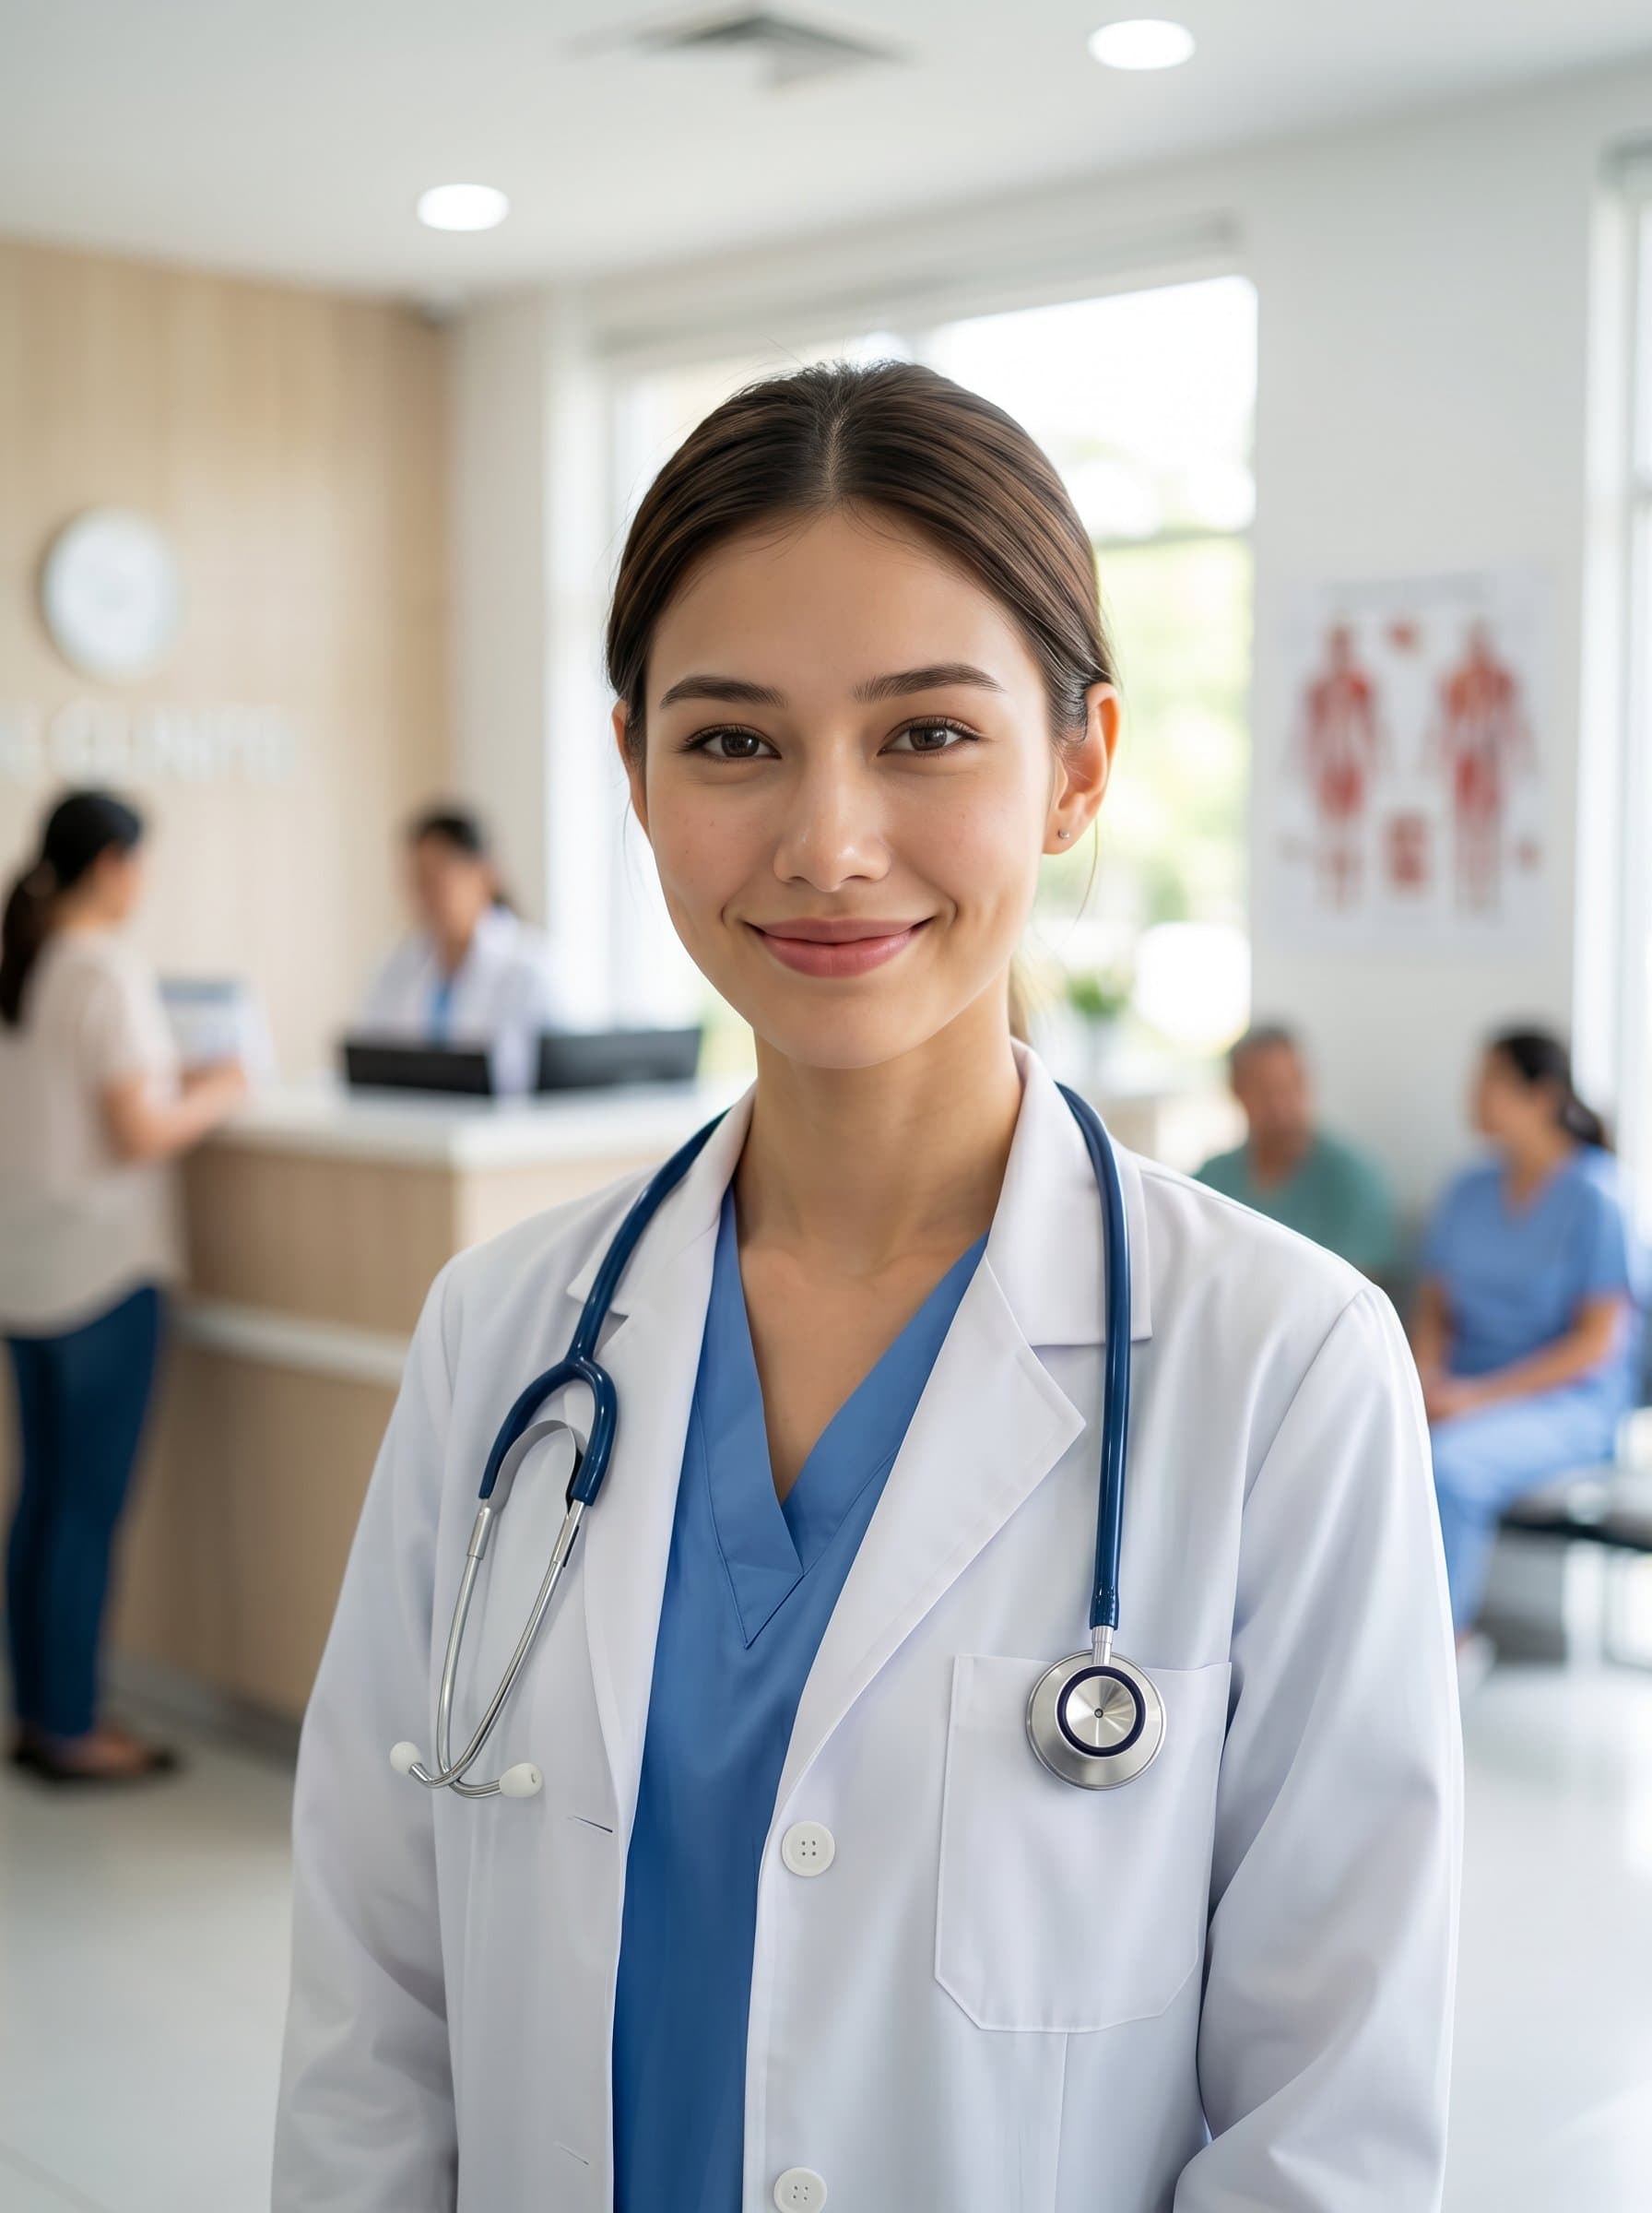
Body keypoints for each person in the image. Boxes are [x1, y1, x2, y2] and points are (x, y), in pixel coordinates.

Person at [275, 363, 1459, 2211]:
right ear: (634, 771)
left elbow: (1327, 2117)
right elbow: (373, 2015)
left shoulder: (1281, 1367)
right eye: (732, 741)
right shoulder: (500, 1342)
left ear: (1076, 769)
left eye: (923, 735)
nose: (825, 841)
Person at [0, 791, 246, 1783]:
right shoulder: (103, 969)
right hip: (104, 1276)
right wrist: (224, 1089)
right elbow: (137, 1131)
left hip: (25, 1273)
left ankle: (39, 1715)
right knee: (83, 1510)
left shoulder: (27, 963)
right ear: (111, 864)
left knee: (41, 1503)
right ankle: (73, 1729)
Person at [1413, 1027, 1642, 1652]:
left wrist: (1476, 1398)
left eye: (1491, 1081)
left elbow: (1595, 1345)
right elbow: (1437, 1308)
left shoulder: (1598, 1197)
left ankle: (1440, 1648)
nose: (1474, 1096)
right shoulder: (1468, 1189)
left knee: (1449, 1466)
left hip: (1568, 1404)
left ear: (1541, 1096)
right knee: (1366, 1440)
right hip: (1464, 1392)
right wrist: (1425, 1379)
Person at [358, 805, 563, 1093]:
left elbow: (533, 1081)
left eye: (438, 876)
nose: (425, 893)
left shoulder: (530, 967)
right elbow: (368, 1063)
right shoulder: (395, 966)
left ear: (484, 875)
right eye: (418, 878)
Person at [1196, 1023, 1398, 1279]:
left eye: (1291, 1088)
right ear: (1236, 1090)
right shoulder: (1211, 1180)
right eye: (1264, 1092)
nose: (1280, 1108)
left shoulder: (1352, 1180)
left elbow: (1352, 1295)